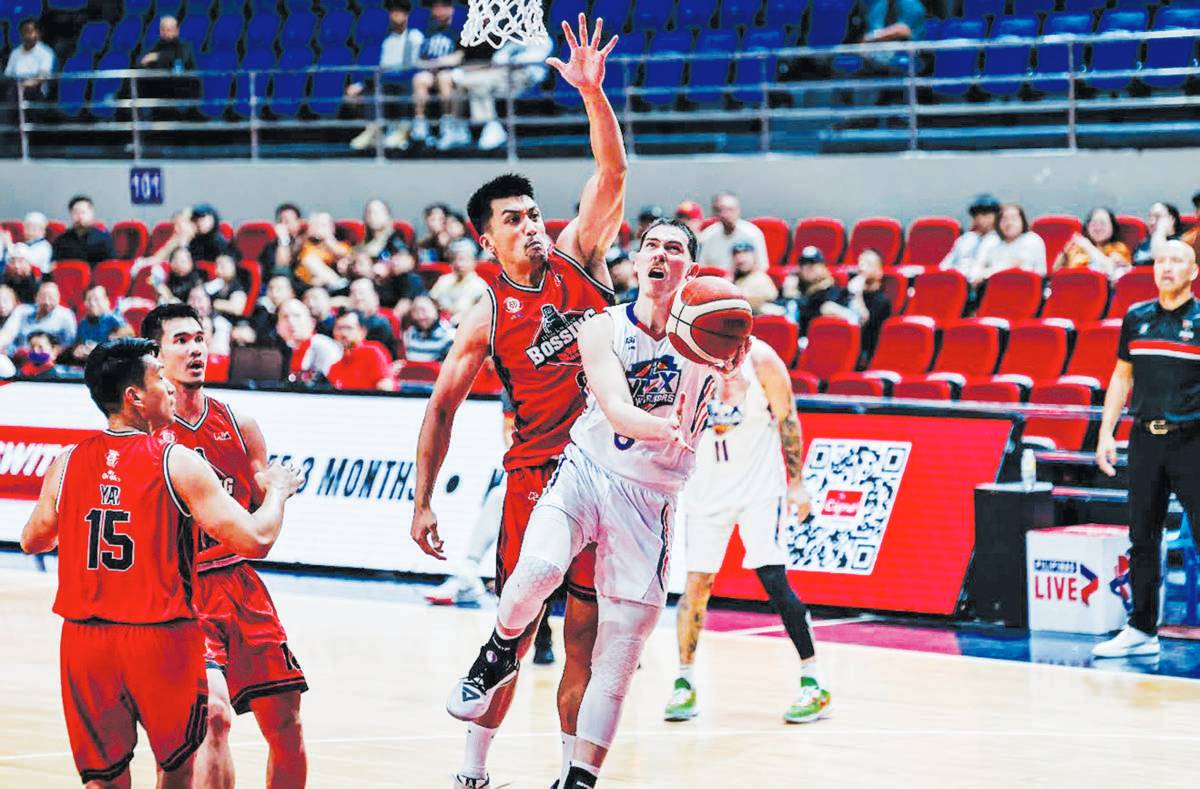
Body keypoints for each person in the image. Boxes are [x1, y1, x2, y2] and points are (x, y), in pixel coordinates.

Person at [410, 15, 626, 788]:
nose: (531, 226)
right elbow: (438, 410)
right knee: (516, 625)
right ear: (487, 240)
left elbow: (610, 178)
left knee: (587, 638)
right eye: (514, 220)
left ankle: (572, 773)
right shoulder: (485, 313)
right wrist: (423, 500)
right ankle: (473, 767)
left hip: (604, 477)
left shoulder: (578, 257)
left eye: (534, 214)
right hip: (534, 480)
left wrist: (593, 97)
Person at [447, 218, 737, 789]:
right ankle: (500, 649)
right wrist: (662, 429)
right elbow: (615, 404)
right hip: (586, 471)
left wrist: (734, 370)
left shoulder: (711, 338)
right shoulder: (602, 327)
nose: (659, 254)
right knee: (535, 571)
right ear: (635, 262)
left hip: (651, 500)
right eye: (650, 245)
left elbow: (736, 393)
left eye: (673, 249)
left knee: (619, 652)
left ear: (691, 272)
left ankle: (580, 778)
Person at [20, 337, 303, 788]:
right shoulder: (177, 461)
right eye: (158, 379)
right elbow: (256, 538)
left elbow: (34, 540)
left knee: (104, 779)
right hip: (159, 638)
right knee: (176, 769)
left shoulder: (66, 461)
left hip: (84, 643)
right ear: (134, 397)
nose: (169, 388)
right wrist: (280, 491)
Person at [140, 303, 311, 788]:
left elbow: (261, 523)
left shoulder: (240, 424)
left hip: (239, 584)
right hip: (179, 594)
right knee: (210, 717)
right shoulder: (146, 433)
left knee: (285, 720)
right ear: (155, 355)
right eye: (181, 340)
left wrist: (278, 492)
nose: (196, 348)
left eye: (200, 338)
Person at [665, 337, 827, 724]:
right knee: (696, 586)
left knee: (773, 579)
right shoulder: (690, 362)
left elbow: (788, 419)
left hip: (759, 490)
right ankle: (684, 682)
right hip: (707, 492)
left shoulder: (763, 361)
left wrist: (796, 482)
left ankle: (813, 682)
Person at [1092, 239, 1200, 659]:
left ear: (1193, 273)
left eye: (1177, 261)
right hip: (1144, 440)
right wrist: (1106, 434)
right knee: (1142, 537)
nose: (1167, 267)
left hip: (1192, 441)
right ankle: (1141, 628)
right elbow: (1121, 378)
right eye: (1161, 260)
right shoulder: (1136, 318)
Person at [444, 39, 552, 151]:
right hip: (502, 75)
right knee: (467, 83)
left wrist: (504, 64)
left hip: (524, 79)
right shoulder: (516, 40)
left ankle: (491, 126)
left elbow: (524, 61)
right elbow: (498, 58)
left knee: (472, 81)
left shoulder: (543, 40)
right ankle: (464, 128)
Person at [348, 0, 425, 151]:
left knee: (394, 86)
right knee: (368, 87)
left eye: (400, 11)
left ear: (407, 15)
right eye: (392, 11)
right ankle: (373, 129)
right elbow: (379, 67)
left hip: (406, 79)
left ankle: (403, 129)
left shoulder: (415, 36)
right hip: (386, 79)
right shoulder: (386, 40)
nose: (395, 15)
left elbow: (414, 64)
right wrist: (359, 84)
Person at [410, 0, 464, 147]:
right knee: (420, 79)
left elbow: (459, 56)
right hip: (429, 71)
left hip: (450, 72)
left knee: (444, 78)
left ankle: (449, 125)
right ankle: (420, 125)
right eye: (437, 7)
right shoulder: (426, 31)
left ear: (451, 9)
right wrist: (428, 65)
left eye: (444, 7)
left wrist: (438, 63)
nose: (440, 11)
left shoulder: (459, 30)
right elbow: (418, 59)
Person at [696, 192, 770, 274]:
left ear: (738, 211)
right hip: (715, 282)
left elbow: (762, 267)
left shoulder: (752, 234)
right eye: (720, 210)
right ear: (715, 213)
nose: (725, 215)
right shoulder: (707, 236)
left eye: (730, 209)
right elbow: (701, 267)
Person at [975, 203, 1046, 283]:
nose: (1009, 223)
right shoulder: (991, 240)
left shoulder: (1032, 240)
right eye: (1004, 219)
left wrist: (989, 271)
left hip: (1025, 288)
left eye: (1014, 219)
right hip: (994, 287)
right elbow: (977, 270)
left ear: (1023, 221)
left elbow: (1022, 271)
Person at [0, 280, 76, 355]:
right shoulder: (22, 311)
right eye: (43, 297)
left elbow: (69, 343)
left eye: (51, 298)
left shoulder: (66, 315)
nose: (47, 302)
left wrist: (54, 352)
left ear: (58, 298)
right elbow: (7, 333)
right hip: (21, 357)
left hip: (51, 359)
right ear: (36, 297)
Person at [277, 298, 342, 385]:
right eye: (285, 317)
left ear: (312, 322)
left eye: (297, 316)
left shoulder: (323, 346)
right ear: (278, 327)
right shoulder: (284, 349)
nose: (291, 321)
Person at [327, 308, 394, 391]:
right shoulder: (334, 368)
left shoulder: (373, 352)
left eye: (348, 328)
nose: (343, 334)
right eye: (339, 328)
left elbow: (386, 388)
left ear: (362, 331)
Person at [1053, 207, 1131, 277]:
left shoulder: (1119, 248)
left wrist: (1088, 247)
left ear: (1112, 227)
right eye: (1094, 223)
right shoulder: (1078, 248)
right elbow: (1055, 273)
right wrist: (1064, 253)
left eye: (1103, 223)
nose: (1098, 227)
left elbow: (1110, 270)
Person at [846, 248, 892, 360]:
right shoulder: (850, 292)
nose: (862, 267)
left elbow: (863, 323)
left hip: (867, 353)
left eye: (868, 264)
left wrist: (856, 294)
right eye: (860, 263)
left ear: (880, 271)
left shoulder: (882, 300)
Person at [66, 284, 128, 365]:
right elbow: (77, 345)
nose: (92, 304)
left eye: (96, 299)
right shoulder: (83, 323)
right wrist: (77, 351)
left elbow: (123, 352)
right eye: (89, 300)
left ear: (106, 301)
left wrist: (99, 351)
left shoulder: (116, 322)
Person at [429, 239, 490, 320]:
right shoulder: (444, 280)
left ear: (474, 262)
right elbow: (432, 300)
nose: (459, 264)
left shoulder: (479, 285)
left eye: (463, 259)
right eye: (454, 259)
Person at [941, 194, 1000, 274]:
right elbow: (945, 265)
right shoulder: (966, 239)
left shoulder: (1001, 240)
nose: (981, 219)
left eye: (986, 214)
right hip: (959, 281)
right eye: (976, 215)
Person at [52, 195, 115, 265]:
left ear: (91, 214)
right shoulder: (62, 240)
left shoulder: (103, 239)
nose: (80, 217)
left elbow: (109, 266)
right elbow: (55, 264)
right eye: (75, 213)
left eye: (83, 212)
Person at [296, 212, 352, 289]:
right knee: (310, 259)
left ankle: (337, 285)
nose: (319, 229)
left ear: (332, 228)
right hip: (307, 283)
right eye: (316, 225)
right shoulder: (306, 244)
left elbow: (346, 255)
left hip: (333, 282)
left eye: (323, 225)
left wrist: (328, 239)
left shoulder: (341, 245)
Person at [4, 18, 54, 100]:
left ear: (37, 33)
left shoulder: (46, 52)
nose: (26, 35)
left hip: (36, 91)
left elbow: (42, 76)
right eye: (24, 32)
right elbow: (8, 74)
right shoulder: (15, 53)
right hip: (15, 89)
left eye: (30, 32)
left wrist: (25, 85)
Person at [260, 203, 306, 281]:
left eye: (287, 221)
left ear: (299, 222)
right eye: (280, 221)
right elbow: (282, 268)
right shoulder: (272, 244)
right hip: (279, 283)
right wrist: (283, 239)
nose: (283, 225)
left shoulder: (305, 239)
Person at [403, 294, 455, 361]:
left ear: (435, 308)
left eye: (423, 310)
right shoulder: (410, 334)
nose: (420, 316)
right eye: (415, 311)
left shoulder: (449, 336)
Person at [731, 240, 778, 313]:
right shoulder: (732, 280)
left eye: (745, 253)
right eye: (736, 254)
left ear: (754, 257)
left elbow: (770, 295)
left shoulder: (761, 278)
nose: (740, 258)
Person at [1132, 202, 1182, 267]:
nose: (1151, 222)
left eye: (1158, 217)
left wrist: (1160, 232)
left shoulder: (1181, 243)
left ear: (1172, 220)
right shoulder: (1143, 244)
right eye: (1150, 217)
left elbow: (1160, 260)